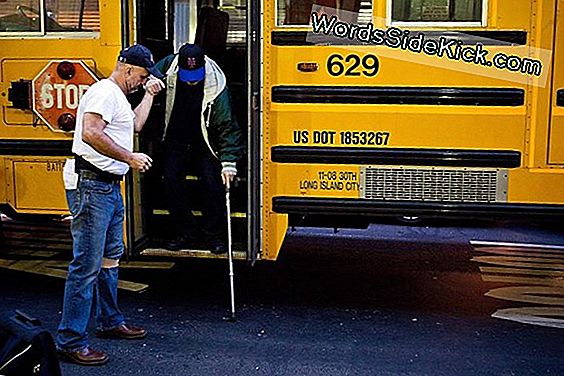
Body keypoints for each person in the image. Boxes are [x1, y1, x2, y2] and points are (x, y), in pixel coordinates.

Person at [56, 44, 164, 366]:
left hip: (107, 186)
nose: (141, 81)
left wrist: (149, 95)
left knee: (108, 259)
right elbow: (90, 133)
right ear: (127, 67)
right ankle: (70, 341)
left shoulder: (117, 95)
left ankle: (110, 321)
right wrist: (129, 157)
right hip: (92, 184)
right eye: (141, 76)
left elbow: (135, 126)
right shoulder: (104, 92)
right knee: (86, 265)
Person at [154, 43, 243, 253]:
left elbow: (227, 125)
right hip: (176, 138)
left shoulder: (217, 84)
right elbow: (148, 74)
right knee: (171, 179)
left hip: (206, 142)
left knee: (212, 183)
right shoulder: (169, 65)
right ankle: (185, 233)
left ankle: (213, 235)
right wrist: (150, 83)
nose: (191, 79)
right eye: (187, 74)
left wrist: (228, 162)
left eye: (195, 74)